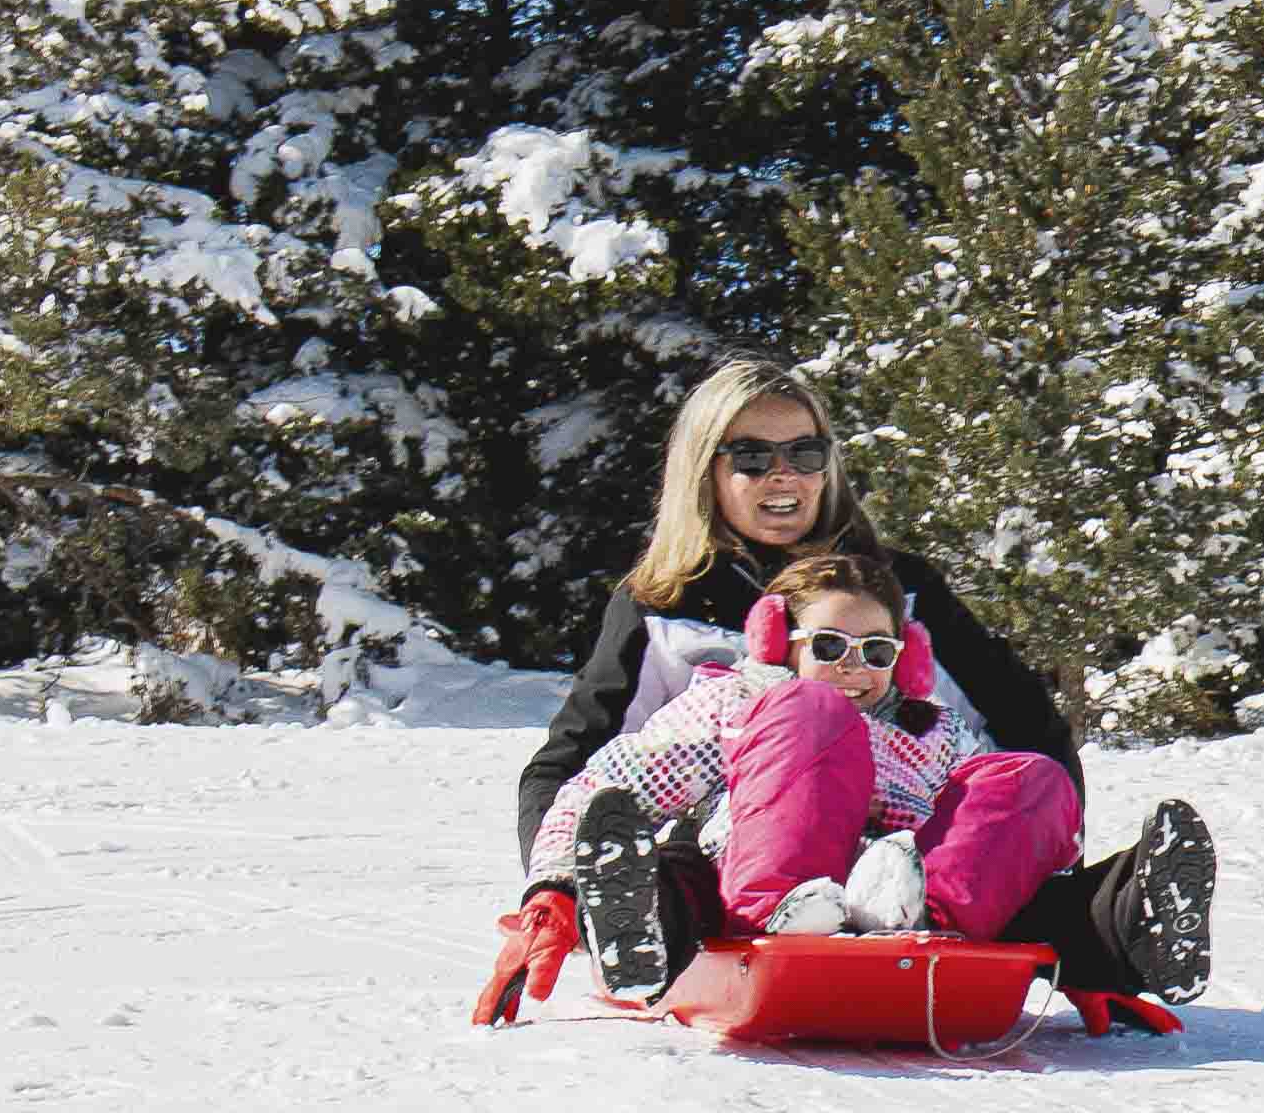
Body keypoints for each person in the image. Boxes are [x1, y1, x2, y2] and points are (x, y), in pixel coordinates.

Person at [485, 357, 1211, 1015]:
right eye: (752, 456)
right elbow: (585, 764)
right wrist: (555, 893)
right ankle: (640, 922)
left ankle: (1118, 927)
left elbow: (1027, 737)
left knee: (1022, 814)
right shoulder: (664, 606)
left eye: (804, 452)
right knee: (683, 865)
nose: (783, 475)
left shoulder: (899, 591)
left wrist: (1027, 881)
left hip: (907, 871)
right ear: (705, 470)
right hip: (728, 869)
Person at [518, 550, 1088, 999]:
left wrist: (1057, 922)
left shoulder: (932, 732)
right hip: (739, 902)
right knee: (807, 716)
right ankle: (647, 917)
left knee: (1029, 776)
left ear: (906, 657)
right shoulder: (735, 704)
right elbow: (607, 784)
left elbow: (989, 832)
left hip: (909, 910)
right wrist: (554, 892)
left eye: (876, 651)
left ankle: (1085, 924)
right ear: (778, 644)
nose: (853, 666)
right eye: (830, 644)